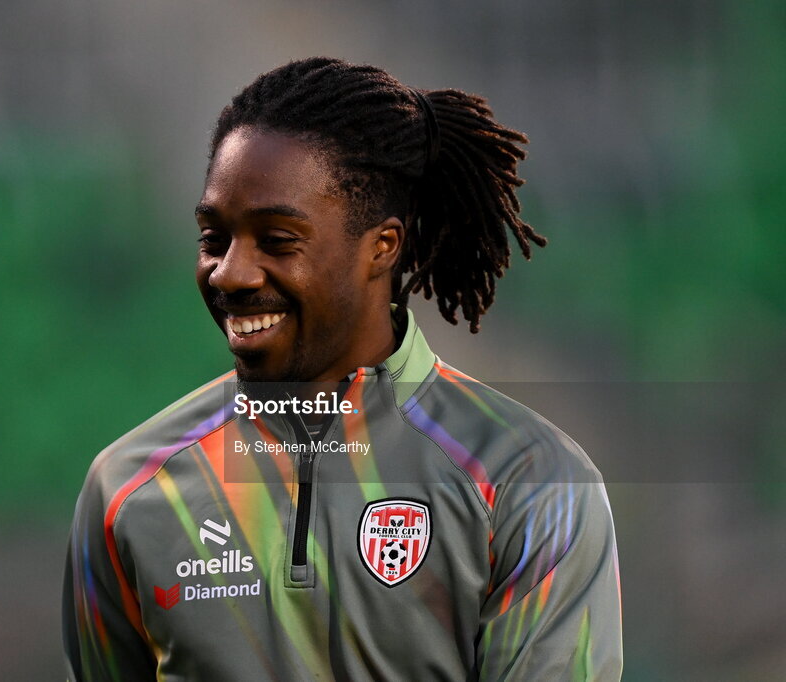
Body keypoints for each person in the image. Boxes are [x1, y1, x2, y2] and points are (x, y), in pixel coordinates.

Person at [62, 57, 622, 681]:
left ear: (382, 247)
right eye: (214, 237)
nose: (229, 274)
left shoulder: (528, 480)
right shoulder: (130, 488)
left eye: (277, 240)